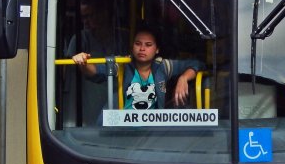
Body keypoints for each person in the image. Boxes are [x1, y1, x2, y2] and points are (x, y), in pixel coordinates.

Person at [72, 28, 202, 112]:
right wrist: (83, 62)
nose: (142, 49)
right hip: (125, 131)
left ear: (157, 49)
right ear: (132, 46)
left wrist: (184, 78)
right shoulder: (122, 64)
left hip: (153, 133)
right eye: (138, 44)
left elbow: (196, 64)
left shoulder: (162, 66)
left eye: (148, 45)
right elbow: (95, 70)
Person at [65, 0, 129, 124]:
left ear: (104, 13)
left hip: (119, 102)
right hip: (89, 105)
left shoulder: (123, 37)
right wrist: (82, 62)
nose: (85, 21)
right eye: (83, 17)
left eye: (90, 15)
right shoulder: (79, 39)